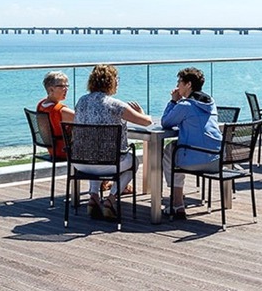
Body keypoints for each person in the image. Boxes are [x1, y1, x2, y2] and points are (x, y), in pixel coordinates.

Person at [73, 64, 152, 220]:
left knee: (93, 151)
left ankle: (94, 196)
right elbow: (146, 122)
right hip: (109, 163)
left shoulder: (81, 101)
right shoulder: (115, 105)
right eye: (117, 79)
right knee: (133, 162)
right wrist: (141, 112)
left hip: (80, 161)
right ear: (111, 81)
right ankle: (111, 199)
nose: (118, 83)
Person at [160, 67, 223, 220]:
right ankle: (177, 202)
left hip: (195, 160)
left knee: (170, 152)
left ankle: (177, 202)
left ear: (188, 84)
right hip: (217, 159)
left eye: (179, 82)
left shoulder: (185, 105)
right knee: (172, 149)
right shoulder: (210, 102)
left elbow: (166, 123)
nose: (177, 86)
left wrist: (173, 101)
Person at [35, 71, 75, 160]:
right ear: (51, 89)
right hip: (63, 150)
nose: (66, 89)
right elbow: (85, 119)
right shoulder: (59, 110)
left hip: (52, 149)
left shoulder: (40, 105)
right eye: (61, 86)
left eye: (66, 86)